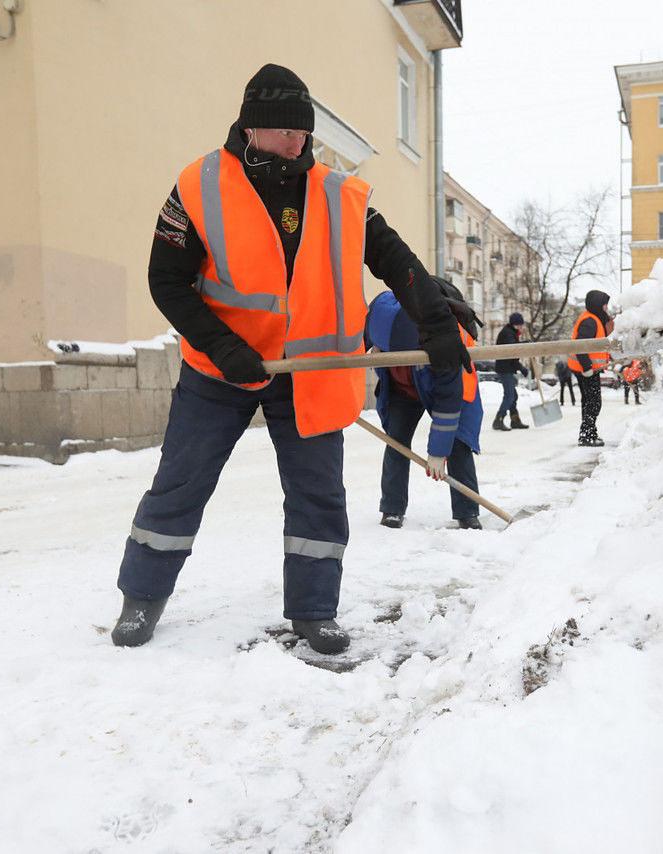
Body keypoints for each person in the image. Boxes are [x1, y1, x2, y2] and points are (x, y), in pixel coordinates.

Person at [110, 64, 470, 655]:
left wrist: (438, 324)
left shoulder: (336, 192)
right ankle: (141, 598)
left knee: (319, 494)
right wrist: (224, 346)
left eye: (304, 133)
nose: (299, 143)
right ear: (253, 128)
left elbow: (396, 260)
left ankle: (313, 610)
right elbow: (166, 281)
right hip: (220, 369)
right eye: (285, 132)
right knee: (181, 482)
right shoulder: (198, 185)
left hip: (311, 371)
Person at [366, 279, 484, 531]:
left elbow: (449, 400)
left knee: (457, 444)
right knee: (396, 442)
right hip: (402, 389)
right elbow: (352, 345)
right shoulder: (381, 316)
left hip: (450, 384)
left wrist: (438, 451)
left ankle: (467, 512)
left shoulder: (444, 340)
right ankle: (392, 509)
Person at [567, 290, 613, 447]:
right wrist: (586, 367)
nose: (606, 307)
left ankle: (588, 433)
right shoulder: (590, 321)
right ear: (597, 304)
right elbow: (581, 345)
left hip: (589, 368)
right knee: (593, 402)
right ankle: (587, 435)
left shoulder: (595, 319)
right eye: (605, 304)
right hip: (586, 369)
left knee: (589, 401)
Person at [492, 312, 530, 431]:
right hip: (505, 368)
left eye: (521, 325)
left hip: (507, 367)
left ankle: (515, 420)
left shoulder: (511, 332)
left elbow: (513, 352)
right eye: (518, 325)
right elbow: (512, 351)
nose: (520, 327)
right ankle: (498, 420)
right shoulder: (508, 333)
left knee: (513, 395)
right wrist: (521, 367)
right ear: (514, 324)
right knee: (509, 395)